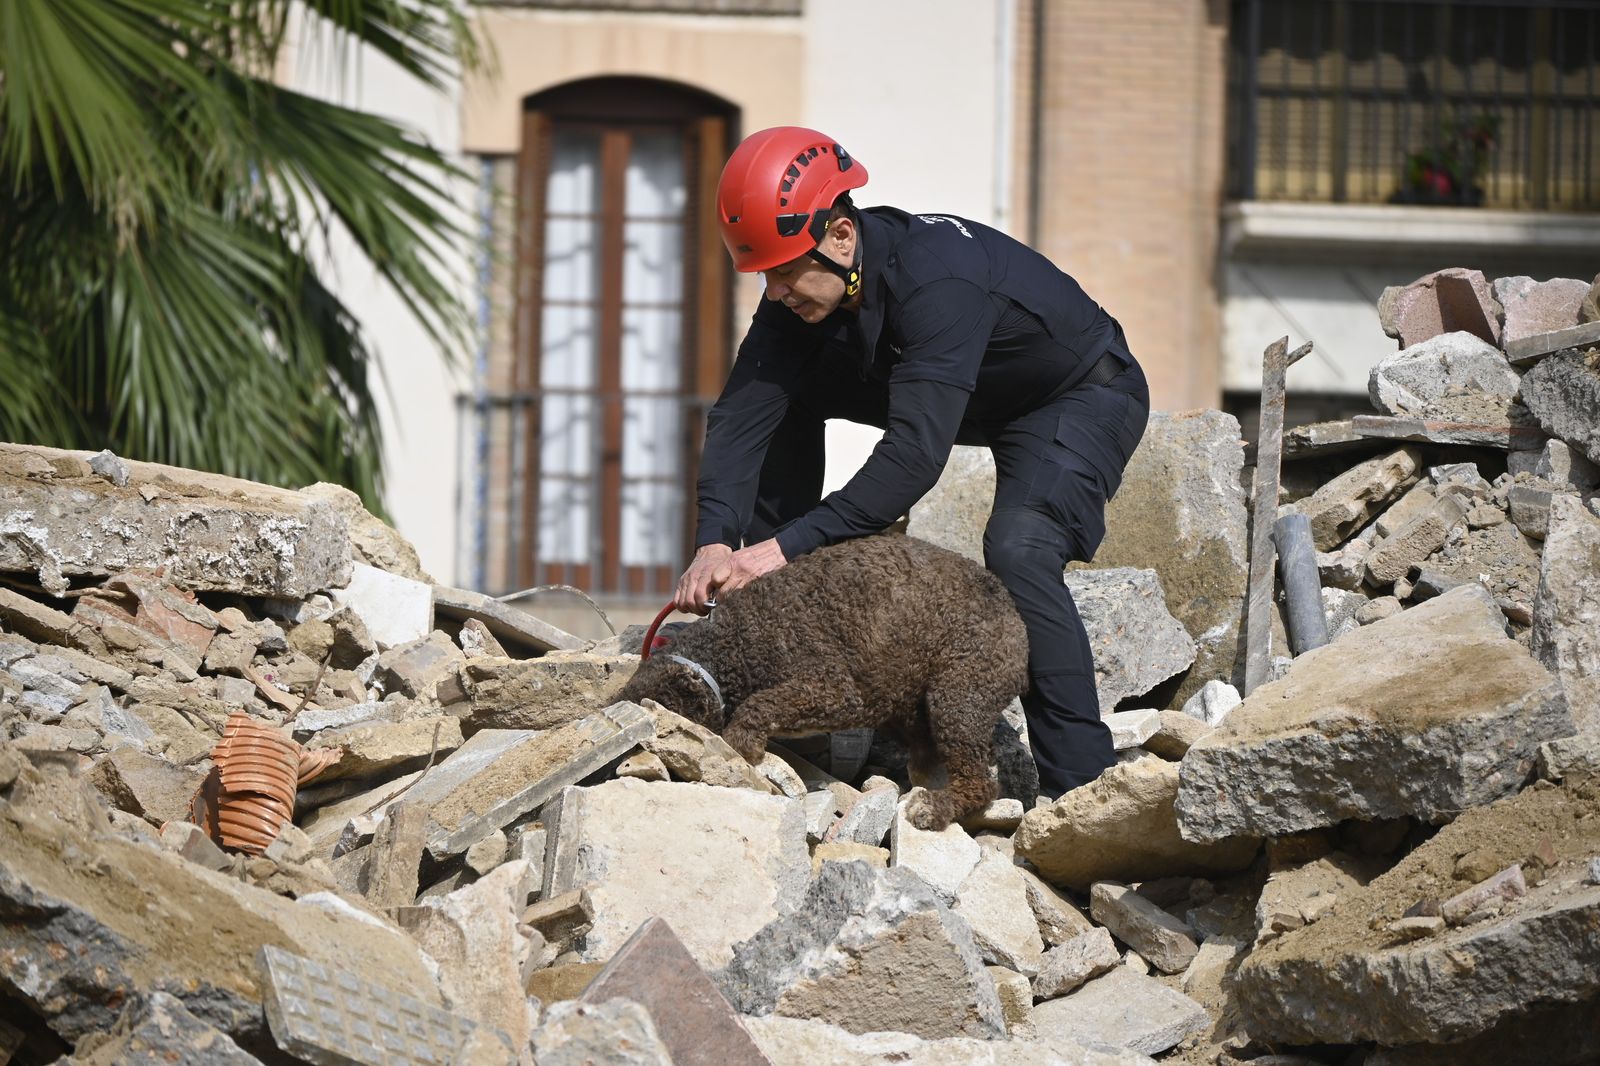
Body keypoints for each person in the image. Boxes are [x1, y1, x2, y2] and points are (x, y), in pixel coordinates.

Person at [673, 126, 1149, 797]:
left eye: (783, 273)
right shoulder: (808, 288)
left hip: (1075, 396)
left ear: (840, 236)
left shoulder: (938, 280)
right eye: (764, 277)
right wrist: (716, 540)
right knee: (783, 394)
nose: (774, 293)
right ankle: (788, 658)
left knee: (1019, 548)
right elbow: (742, 413)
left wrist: (782, 548)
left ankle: (1083, 788)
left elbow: (913, 456)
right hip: (969, 393)